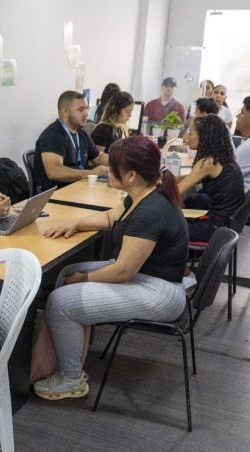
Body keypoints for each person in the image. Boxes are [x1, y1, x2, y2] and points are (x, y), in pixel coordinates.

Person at [32, 136, 188, 400]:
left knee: (60, 301)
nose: (107, 169)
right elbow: (108, 217)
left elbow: (122, 271)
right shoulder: (143, 195)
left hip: (160, 293)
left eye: (112, 166)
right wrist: (76, 224)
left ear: (130, 175)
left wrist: (84, 278)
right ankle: (68, 350)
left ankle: (71, 379)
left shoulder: (150, 211)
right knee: (65, 273)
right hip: (146, 278)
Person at [179, 115, 245, 242]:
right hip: (228, 224)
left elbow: (175, 192)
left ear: (203, 137)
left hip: (217, 228)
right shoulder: (222, 157)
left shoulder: (207, 163)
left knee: (164, 227)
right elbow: (193, 178)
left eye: (190, 133)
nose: (186, 138)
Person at [34, 90, 108, 192]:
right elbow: (54, 171)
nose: (86, 113)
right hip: (56, 197)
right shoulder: (52, 135)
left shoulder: (81, 134)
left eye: (87, 108)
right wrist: (91, 173)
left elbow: (99, 157)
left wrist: (121, 162)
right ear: (65, 112)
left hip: (77, 190)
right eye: (81, 109)